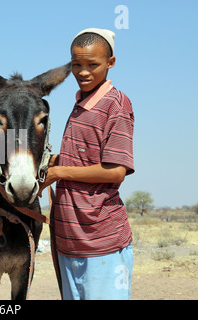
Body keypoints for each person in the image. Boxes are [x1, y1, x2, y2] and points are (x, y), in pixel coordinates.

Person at [45, 28, 135, 300]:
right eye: (76, 65)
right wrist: (54, 162)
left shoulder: (116, 104)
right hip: (68, 240)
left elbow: (116, 171)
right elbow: (86, 159)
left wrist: (59, 171)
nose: (83, 72)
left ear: (111, 63)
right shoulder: (79, 104)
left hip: (101, 241)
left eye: (92, 65)